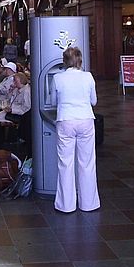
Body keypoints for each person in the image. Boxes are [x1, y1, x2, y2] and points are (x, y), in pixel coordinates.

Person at [51, 46, 100, 213]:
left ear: (65, 61)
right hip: (86, 119)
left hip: (65, 120)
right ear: (80, 60)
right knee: (87, 163)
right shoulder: (88, 77)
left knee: (65, 163)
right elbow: (94, 101)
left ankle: (66, 205)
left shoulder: (58, 78)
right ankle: (89, 203)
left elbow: (53, 102)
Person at [0, 71, 31, 148]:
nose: (14, 82)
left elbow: (26, 108)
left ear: (20, 80)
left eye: (15, 81)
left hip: (18, 114)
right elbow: (11, 98)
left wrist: (12, 109)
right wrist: (11, 91)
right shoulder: (17, 89)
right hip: (10, 109)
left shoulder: (26, 91)